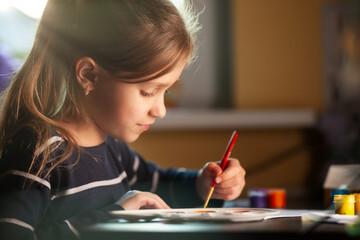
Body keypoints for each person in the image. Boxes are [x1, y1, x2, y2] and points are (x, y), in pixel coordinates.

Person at [0, 0, 246, 239]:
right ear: (89, 75)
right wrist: (114, 216)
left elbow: (163, 186)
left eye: (166, 91)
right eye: (148, 92)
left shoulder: (114, 151)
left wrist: (205, 183)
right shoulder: (37, 152)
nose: (160, 110)